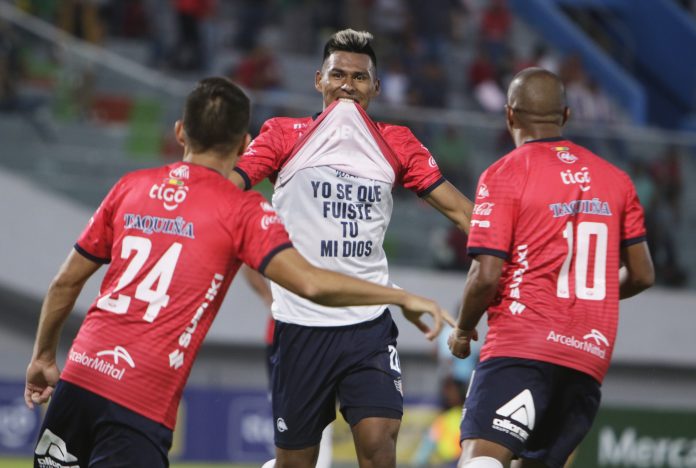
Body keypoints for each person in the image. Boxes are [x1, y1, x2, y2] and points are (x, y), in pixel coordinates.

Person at [24, 77, 449, 468]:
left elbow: (66, 281)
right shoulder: (240, 211)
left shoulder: (130, 187)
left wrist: (44, 356)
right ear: (246, 143)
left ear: (179, 132)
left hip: (79, 377)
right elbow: (313, 283)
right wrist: (399, 296)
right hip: (140, 400)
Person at [229, 29, 473, 468]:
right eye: (337, 74)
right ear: (318, 79)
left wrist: (518, 251)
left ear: (375, 88)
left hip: (368, 326)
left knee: (380, 446)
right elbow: (230, 187)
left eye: (360, 78)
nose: (347, 84)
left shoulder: (397, 143)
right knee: (297, 463)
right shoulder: (283, 135)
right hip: (300, 326)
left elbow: (462, 214)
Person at [447, 67, 655, 468]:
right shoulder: (617, 180)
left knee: (482, 460)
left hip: (522, 347)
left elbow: (486, 274)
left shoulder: (506, 172)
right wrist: (583, 289)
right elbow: (643, 274)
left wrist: (461, 329)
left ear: (509, 115)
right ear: (566, 115)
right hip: (588, 358)